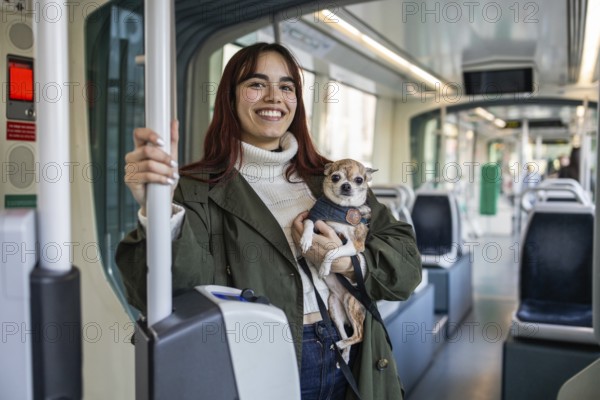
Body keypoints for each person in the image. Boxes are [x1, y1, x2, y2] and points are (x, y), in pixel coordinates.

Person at [116, 42, 422, 400]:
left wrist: (350, 263)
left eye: (287, 87)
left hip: (353, 352)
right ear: (230, 98)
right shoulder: (197, 188)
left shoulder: (332, 178)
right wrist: (158, 207)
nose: (275, 97)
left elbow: (406, 265)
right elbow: (165, 294)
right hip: (264, 357)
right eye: (257, 84)